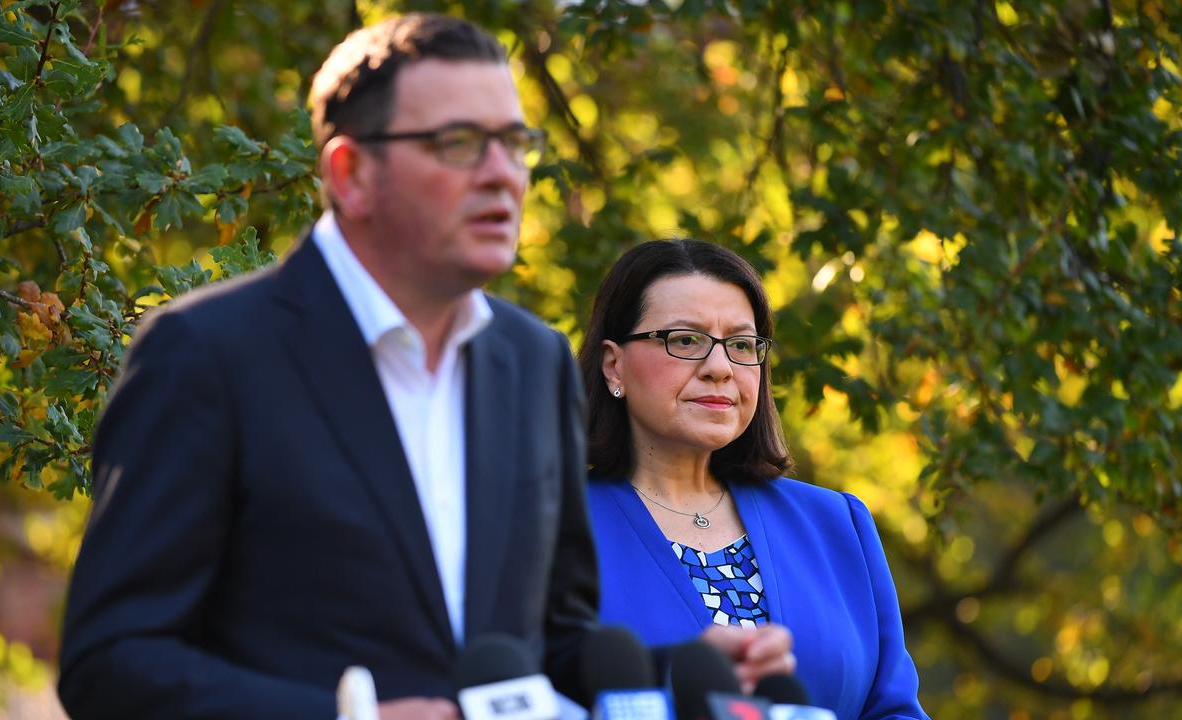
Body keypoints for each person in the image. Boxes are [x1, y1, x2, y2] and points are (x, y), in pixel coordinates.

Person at [57, 15, 596, 719]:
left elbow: (551, 645)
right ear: (351, 174)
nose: (503, 174)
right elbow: (111, 662)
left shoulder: (537, 360)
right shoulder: (207, 354)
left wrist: (680, 669)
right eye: (459, 143)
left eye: (516, 143)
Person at [579, 239, 929, 719]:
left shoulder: (836, 524)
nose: (720, 369)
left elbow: (894, 709)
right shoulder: (554, 529)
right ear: (614, 364)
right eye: (685, 340)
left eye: (742, 345)